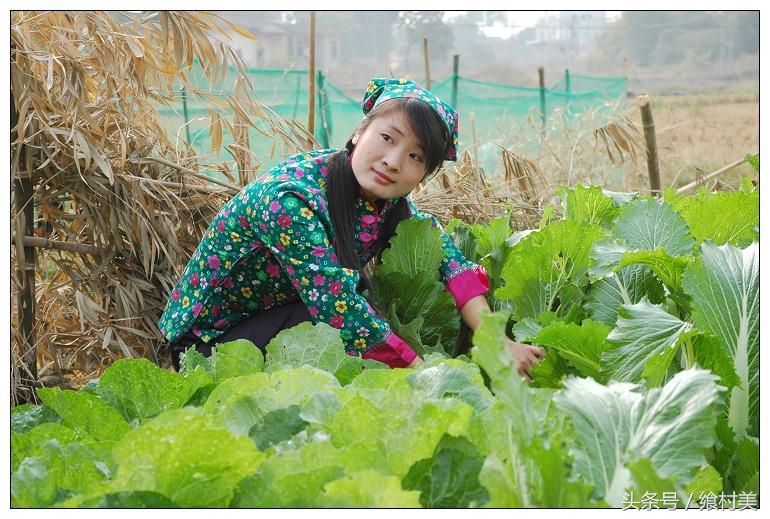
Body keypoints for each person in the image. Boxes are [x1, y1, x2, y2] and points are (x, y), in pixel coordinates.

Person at [158, 78, 544, 378]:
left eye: (414, 157)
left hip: (281, 314)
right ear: (360, 132)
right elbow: (335, 307)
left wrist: (496, 340)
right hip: (210, 343)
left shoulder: (390, 205)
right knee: (346, 322)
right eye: (388, 139)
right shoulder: (289, 201)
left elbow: (448, 259)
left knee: (364, 314)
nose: (393, 161)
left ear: (424, 174)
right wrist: (426, 377)